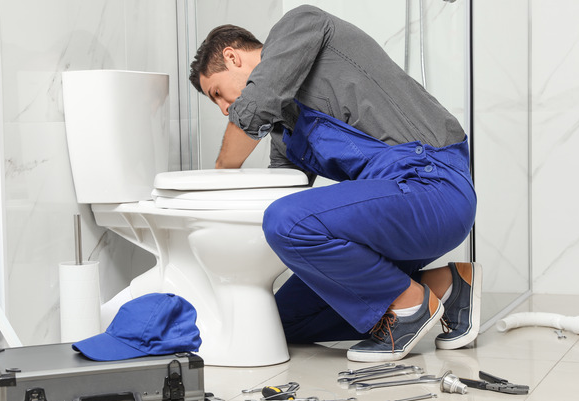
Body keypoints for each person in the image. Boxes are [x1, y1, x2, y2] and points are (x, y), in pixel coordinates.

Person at [189, 5, 480, 362]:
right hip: (393, 220)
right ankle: (450, 287)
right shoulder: (285, 131)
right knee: (284, 320)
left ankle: (409, 308)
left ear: (232, 57)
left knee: (287, 220)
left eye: (217, 93)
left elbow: (257, 105)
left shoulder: (301, 24)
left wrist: (221, 171)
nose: (222, 109)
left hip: (433, 187)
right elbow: (282, 192)